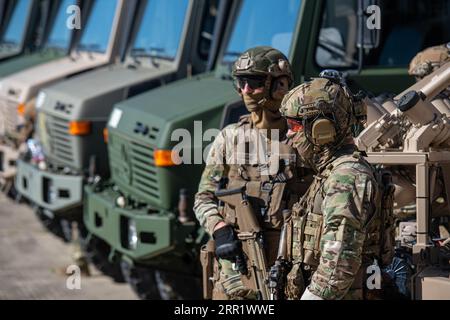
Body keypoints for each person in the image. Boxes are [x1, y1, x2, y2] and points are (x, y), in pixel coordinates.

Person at [194, 46, 311, 300]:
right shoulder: (230, 137)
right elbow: (203, 198)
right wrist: (219, 227)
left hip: (292, 266)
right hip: (240, 268)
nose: (245, 90)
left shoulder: (305, 140)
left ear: (280, 85)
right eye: (241, 82)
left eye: (254, 83)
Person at [280, 76, 394, 300]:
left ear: (321, 129)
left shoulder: (346, 176)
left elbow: (339, 262)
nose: (289, 135)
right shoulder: (333, 172)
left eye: (294, 126)